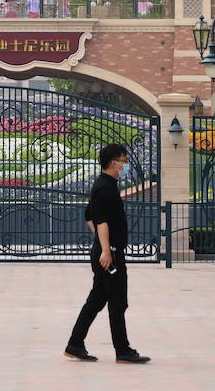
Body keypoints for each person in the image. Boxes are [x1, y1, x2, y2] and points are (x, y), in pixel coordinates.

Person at [65, 143, 150, 364]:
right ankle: (123, 350)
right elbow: (100, 221)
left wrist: (100, 244)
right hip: (109, 254)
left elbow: (89, 216)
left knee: (97, 300)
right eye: (124, 160)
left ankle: (74, 344)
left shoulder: (105, 185)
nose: (126, 165)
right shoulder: (105, 187)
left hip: (106, 251)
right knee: (117, 301)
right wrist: (106, 249)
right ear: (114, 162)